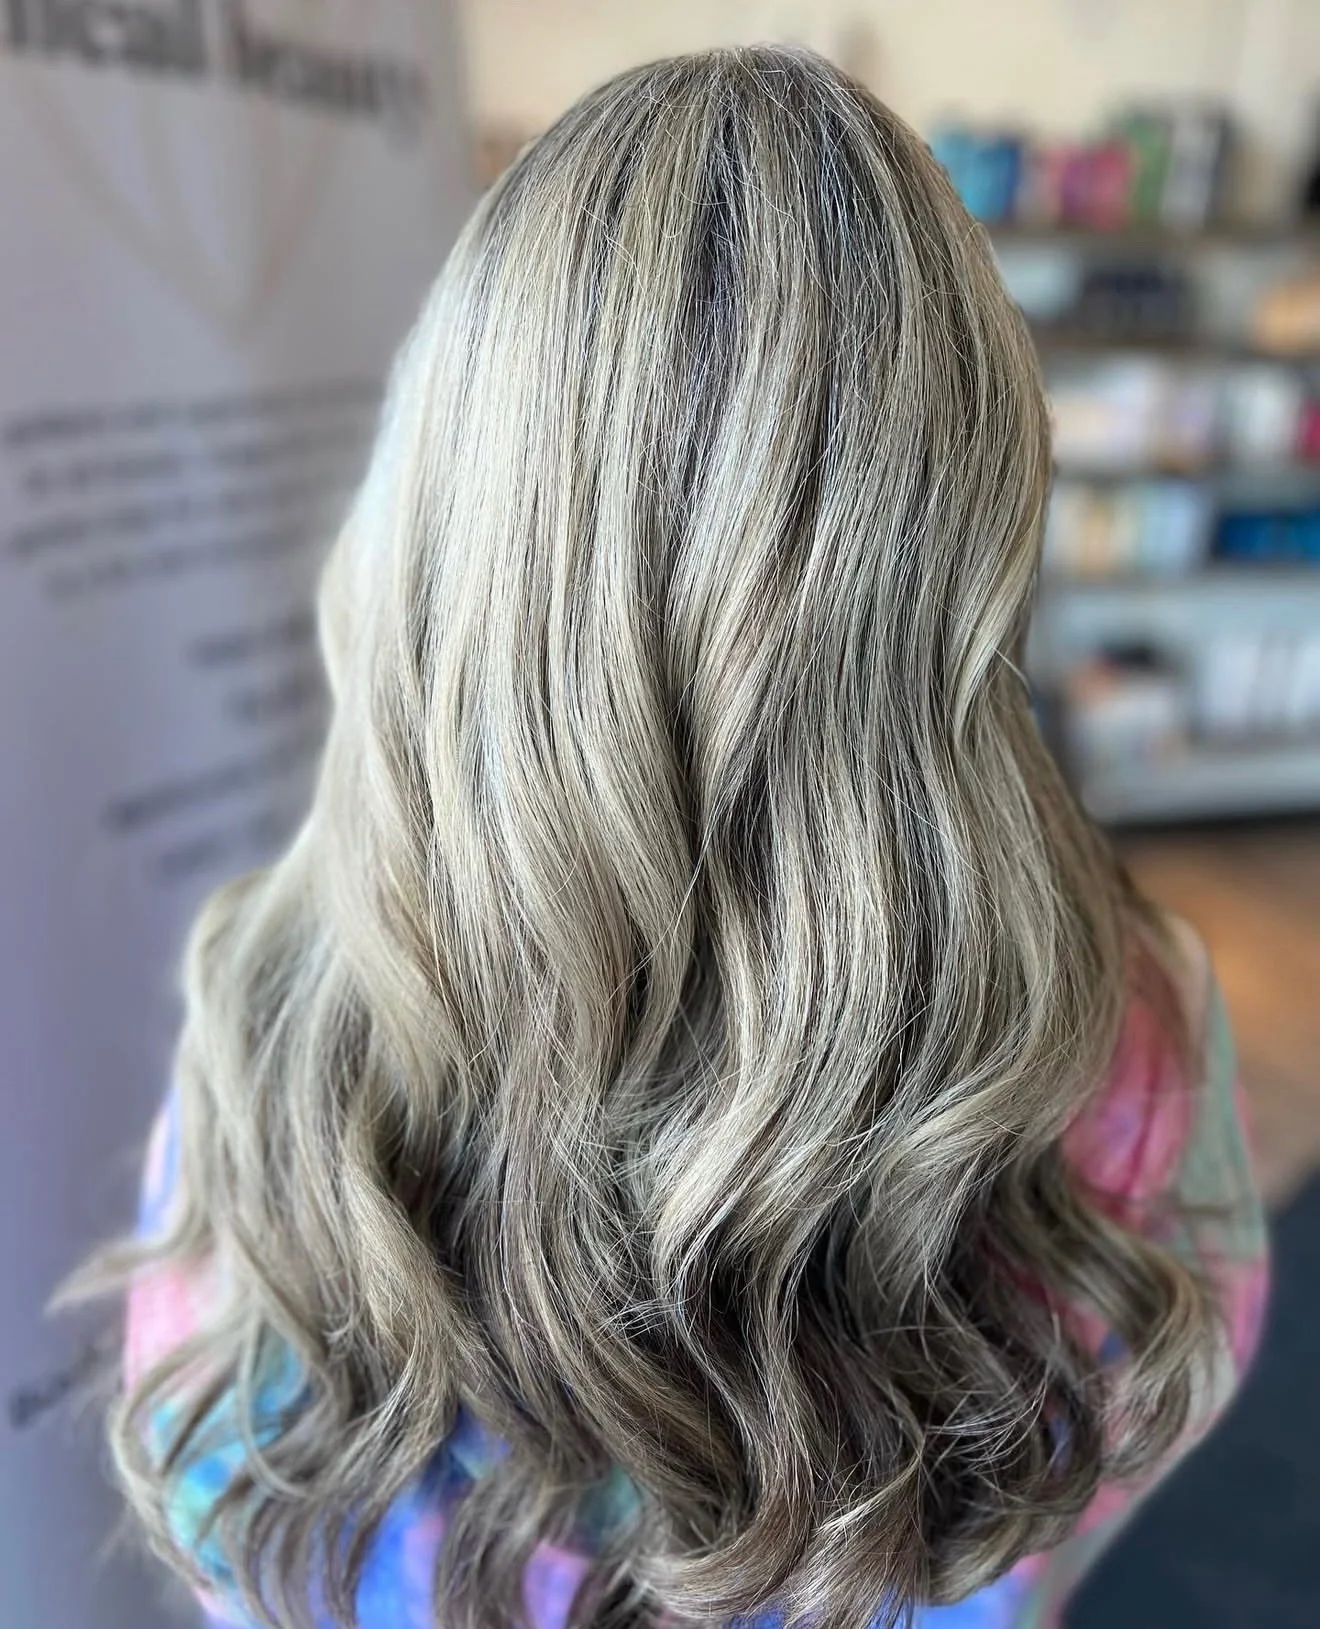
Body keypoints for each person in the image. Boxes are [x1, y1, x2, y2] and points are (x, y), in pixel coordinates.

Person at [73, 46, 1268, 1629]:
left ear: (445, 501)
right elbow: (1078, 1499)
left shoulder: (268, 1036)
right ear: (967, 542)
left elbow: (241, 1533)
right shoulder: (1121, 1039)